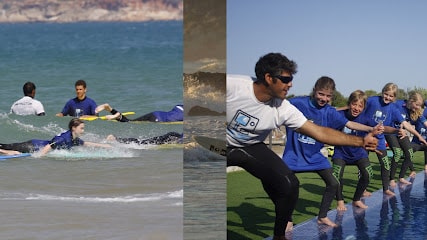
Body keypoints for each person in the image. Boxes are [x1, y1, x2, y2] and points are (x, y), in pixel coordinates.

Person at [226, 52, 378, 240]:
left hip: (250, 147)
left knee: (290, 185)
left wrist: (361, 141)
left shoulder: (284, 108)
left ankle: (279, 236)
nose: (290, 84)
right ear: (268, 78)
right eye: (286, 79)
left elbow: (320, 132)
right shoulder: (232, 85)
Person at [282, 77, 380, 227]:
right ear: (314, 90)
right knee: (289, 188)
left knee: (333, 183)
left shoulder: (329, 111)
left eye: (328, 96)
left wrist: (370, 129)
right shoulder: (297, 103)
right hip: (294, 155)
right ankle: (287, 219)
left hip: (315, 156)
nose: (324, 99)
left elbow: (349, 123)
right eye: (321, 94)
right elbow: (277, 107)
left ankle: (322, 216)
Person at [360, 83, 426, 195]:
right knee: (363, 163)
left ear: (394, 97)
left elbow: (406, 124)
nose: (388, 98)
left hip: (388, 135)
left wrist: (419, 136)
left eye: (391, 96)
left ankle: (391, 184)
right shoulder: (376, 101)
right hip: (372, 134)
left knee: (392, 160)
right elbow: (357, 105)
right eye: (386, 94)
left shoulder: (396, 108)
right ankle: (363, 189)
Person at [332, 90, 378, 210]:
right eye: (354, 104)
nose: (357, 108)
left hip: (359, 153)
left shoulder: (366, 118)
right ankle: (340, 201)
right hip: (340, 153)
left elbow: (380, 128)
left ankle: (356, 199)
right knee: (336, 175)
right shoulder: (339, 116)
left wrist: (397, 130)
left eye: (360, 106)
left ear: (363, 108)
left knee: (368, 174)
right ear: (349, 104)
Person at [0, 118, 110, 156]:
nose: (83, 130)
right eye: (81, 128)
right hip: (33, 146)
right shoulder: (64, 138)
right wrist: (39, 157)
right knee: (9, 147)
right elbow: (49, 146)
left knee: (9, 148)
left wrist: (104, 146)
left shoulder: (74, 139)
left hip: (36, 145)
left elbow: (86, 143)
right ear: (73, 128)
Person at [388, 91, 427, 184]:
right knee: (397, 153)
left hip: (401, 133)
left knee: (409, 152)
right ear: (411, 101)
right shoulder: (398, 104)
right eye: (417, 105)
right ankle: (391, 179)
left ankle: (401, 177)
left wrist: (419, 136)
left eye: (419, 105)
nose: (418, 107)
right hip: (390, 132)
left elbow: (425, 123)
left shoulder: (415, 111)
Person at [95, 103, 183, 122]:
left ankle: (110, 109)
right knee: (130, 123)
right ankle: (116, 115)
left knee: (132, 121)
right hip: (159, 119)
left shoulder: (179, 106)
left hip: (156, 113)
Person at [106, 132, 183, 145]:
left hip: (174, 135)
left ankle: (117, 139)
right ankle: (116, 139)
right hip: (174, 136)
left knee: (141, 142)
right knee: (141, 143)